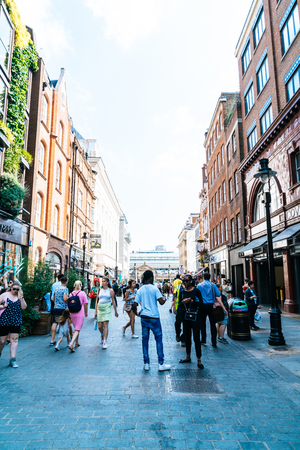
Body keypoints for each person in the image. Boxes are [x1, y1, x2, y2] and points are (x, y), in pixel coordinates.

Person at [134, 270, 170, 372]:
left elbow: (135, 304)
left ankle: (146, 363)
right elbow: (161, 302)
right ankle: (161, 363)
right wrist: (164, 299)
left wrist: (137, 313)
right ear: (150, 278)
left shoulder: (140, 290)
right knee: (158, 339)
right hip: (154, 317)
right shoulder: (154, 289)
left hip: (144, 317)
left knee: (145, 340)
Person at [179, 274, 204, 369]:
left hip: (196, 317)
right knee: (187, 337)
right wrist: (183, 302)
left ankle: (199, 359)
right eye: (183, 281)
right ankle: (188, 356)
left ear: (191, 281)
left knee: (196, 337)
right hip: (186, 318)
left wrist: (192, 301)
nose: (184, 282)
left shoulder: (196, 291)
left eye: (186, 281)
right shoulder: (182, 292)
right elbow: (181, 305)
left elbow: (201, 303)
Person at [0, 281, 27, 368]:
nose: (15, 290)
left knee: (14, 340)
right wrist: (3, 306)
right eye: (14, 289)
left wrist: (21, 296)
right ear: (11, 288)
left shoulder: (19, 297)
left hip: (16, 321)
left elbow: (23, 307)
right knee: (2, 341)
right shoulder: (4, 295)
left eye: (17, 289)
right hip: (4, 320)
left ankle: (13, 359)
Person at [197, 273, 227, 348]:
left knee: (202, 323)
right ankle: (214, 342)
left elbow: (196, 296)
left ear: (203, 277)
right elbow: (218, 295)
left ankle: (203, 339)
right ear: (210, 277)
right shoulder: (213, 285)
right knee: (212, 324)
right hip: (211, 306)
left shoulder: (199, 285)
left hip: (203, 306)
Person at [94, 277, 119, 349]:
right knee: (99, 326)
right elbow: (97, 301)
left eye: (104, 281)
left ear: (107, 282)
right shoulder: (99, 289)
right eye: (102, 281)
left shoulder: (110, 290)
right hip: (100, 307)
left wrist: (115, 311)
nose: (103, 282)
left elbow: (113, 301)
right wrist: (95, 311)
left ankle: (105, 341)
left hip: (107, 307)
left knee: (105, 325)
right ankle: (102, 334)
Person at [68, 280, 88, 352]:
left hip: (72, 313)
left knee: (76, 327)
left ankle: (77, 342)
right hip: (80, 312)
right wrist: (86, 312)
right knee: (77, 329)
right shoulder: (82, 293)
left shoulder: (71, 294)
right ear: (81, 285)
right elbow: (85, 304)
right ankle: (71, 343)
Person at [50, 276, 69, 346]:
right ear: (66, 282)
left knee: (55, 322)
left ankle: (52, 339)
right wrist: (68, 297)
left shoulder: (57, 288)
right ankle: (67, 340)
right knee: (65, 323)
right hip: (63, 308)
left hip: (56, 307)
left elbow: (53, 299)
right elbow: (65, 298)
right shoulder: (65, 289)